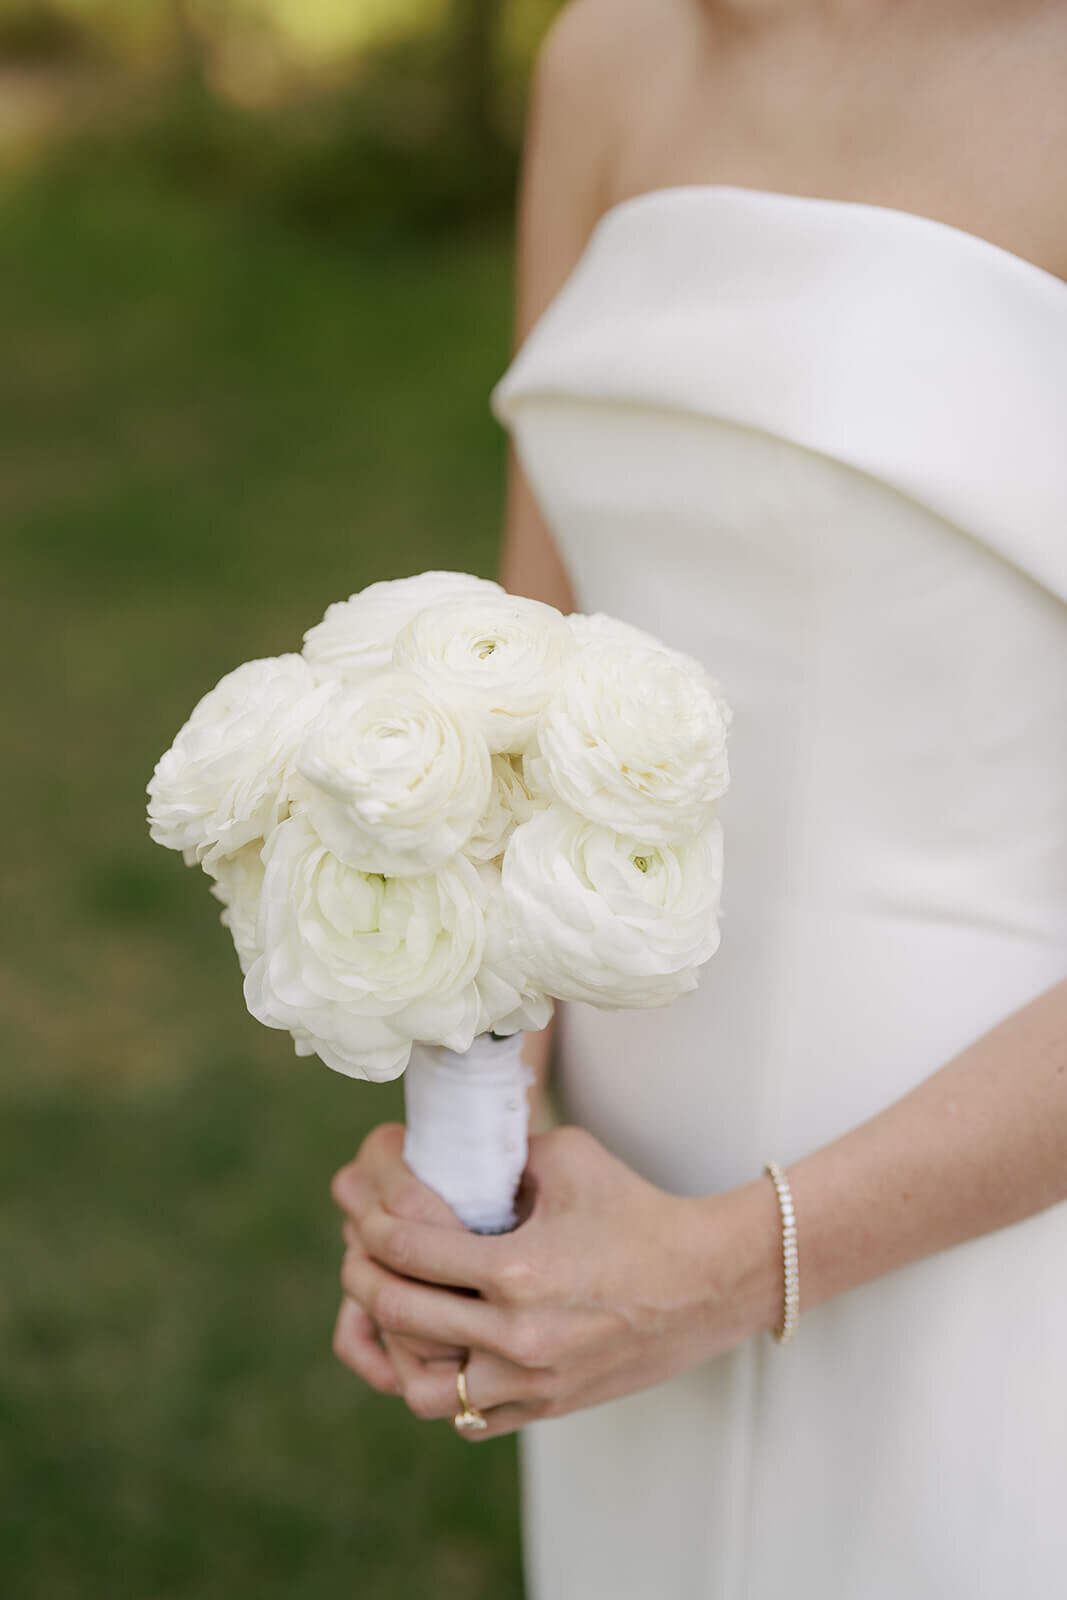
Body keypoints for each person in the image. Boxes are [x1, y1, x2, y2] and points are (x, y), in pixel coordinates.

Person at [330, 1, 1067, 1594]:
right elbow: (522, 681)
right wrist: (473, 1146)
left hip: (995, 1212)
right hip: (614, 1202)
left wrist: (734, 1268)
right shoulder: (611, 58)